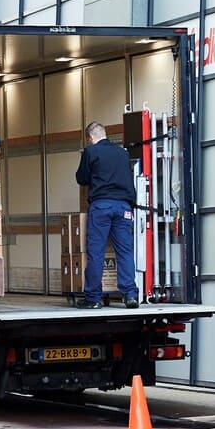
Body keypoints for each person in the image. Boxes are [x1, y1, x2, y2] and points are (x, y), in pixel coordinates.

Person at [74, 121, 140, 309]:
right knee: (125, 251)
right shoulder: (123, 153)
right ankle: (130, 295)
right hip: (123, 207)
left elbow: (82, 178)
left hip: (102, 206)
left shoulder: (91, 151)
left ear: (90, 137)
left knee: (96, 251)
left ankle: (93, 298)